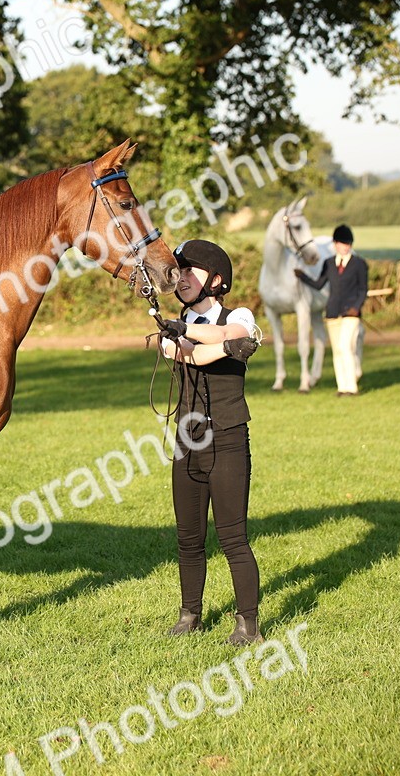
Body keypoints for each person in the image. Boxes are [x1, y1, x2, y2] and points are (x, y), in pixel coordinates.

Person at [156, 239, 263, 645]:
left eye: (190, 271)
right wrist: (190, 336)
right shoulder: (176, 323)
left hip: (229, 437)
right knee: (188, 537)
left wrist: (193, 333)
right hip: (188, 441)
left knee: (233, 537)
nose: (180, 277)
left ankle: (247, 623)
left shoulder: (240, 314)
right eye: (178, 270)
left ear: (216, 280)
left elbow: (232, 333)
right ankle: (190, 614)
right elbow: (193, 355)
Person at [294, 224, 368, 396]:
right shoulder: (328, 264)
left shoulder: (359, 264)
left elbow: (363, 290)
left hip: (351, 314)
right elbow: (319, 284)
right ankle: (342, 387)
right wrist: (302, 276)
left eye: (348, 243)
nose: (346, 246)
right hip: (333, 313)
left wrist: (356, 308)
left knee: (345, 347)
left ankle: (352, 387)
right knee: (337, 351)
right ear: (335, 244)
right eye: (343, 243)